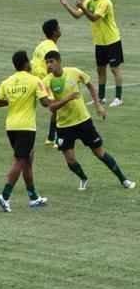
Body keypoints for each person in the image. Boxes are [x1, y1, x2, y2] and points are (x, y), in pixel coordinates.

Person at [43, 51, 134, 191]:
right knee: (70, 160)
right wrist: (69, 98)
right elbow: (51, 107)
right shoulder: (46, 82)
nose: (49, 65)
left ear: (59, 61)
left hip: (83, 121)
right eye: (47, 62)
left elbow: (90, 85)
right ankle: (83, 178)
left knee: (99, 153)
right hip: (64, 125)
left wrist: (98, 105)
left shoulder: (74, 72)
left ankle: (123, 179)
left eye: (51, 61)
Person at [0, 50, 53, 212]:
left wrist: (13, 101)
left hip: (11, 126)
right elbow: (45, 103)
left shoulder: (7, 82)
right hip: (26, 127)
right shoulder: (35, 80)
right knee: (20, 160)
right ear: (26, 64)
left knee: (27, 159)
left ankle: (33, 197)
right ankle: (5, 196)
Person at [60, 0, 124, 107]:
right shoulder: (89, 0)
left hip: (112, 41)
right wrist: (67, 5)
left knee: (114, 69)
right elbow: (77, 16)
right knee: (100, 70)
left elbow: (94, 18)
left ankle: (118, 98)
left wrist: (82, 7)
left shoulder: (104, 2)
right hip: (99, 42)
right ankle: (101, 98)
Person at [31, 19, 62, 146]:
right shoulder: (52, 49)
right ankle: (57, 139)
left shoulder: (42, 45)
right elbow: (53, 68)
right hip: (45, 80)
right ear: (55, 32)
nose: (60, 29)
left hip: (35, 79)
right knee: (59, 106)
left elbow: (33, 62)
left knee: (55, 107)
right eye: (58, 27)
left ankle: (50, 137)